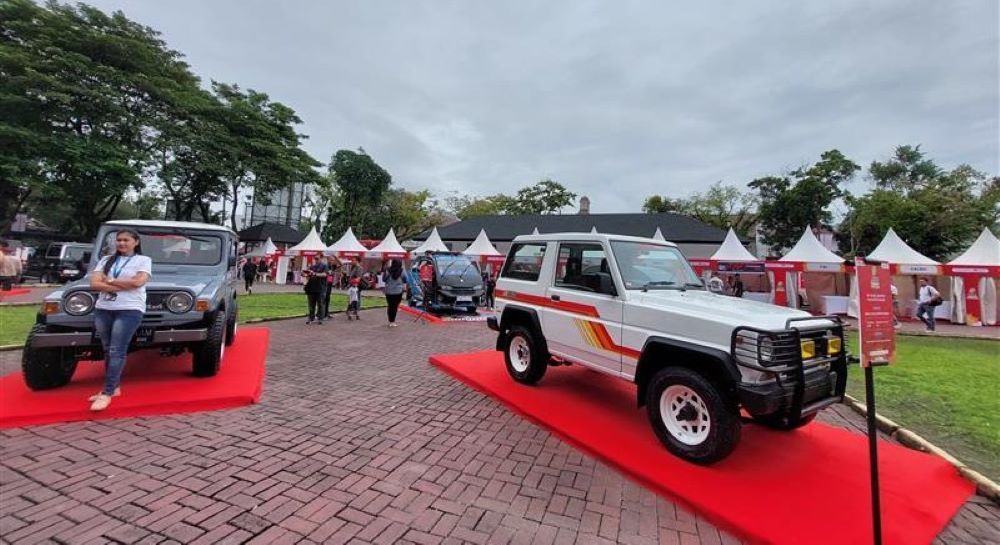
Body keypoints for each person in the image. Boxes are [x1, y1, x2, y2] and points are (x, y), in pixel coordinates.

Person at [88, 229, 152, 411]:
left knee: (117, 349)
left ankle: (106, 393)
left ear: (136, 242)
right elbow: (94, 284)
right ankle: (113, 387)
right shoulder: (106, 260)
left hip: (130, 309)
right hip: (104, 308)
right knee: (108, 349)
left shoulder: (143, 260)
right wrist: (123, 284)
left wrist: (110, 281)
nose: (121, 243)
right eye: (119, 240)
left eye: (126, 240)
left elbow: (138, 282)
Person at [303, 258, 329, 325]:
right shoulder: (312, 266)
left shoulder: (324, 266)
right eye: (315, 259)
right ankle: (311, 318)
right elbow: (308, 275)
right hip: (311, 287)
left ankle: (320, 318)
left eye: (317, 259)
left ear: (321, 258)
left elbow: (325, 274)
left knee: (320, 304)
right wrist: (306, 275)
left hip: (320, 288)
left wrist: (315, 274)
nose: (316, 260)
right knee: (311, 304)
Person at [383, 259, 406, 327]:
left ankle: (390, 321)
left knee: (390, 305)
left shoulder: (387, 270)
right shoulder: (402, 270)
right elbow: (405, 279)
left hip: (388, 291)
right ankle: (393, 321)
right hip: (398, 291)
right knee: (395, 306)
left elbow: (384, 279)